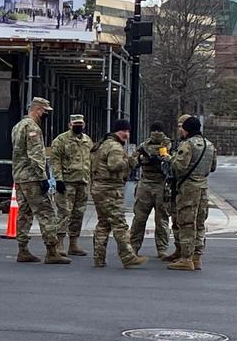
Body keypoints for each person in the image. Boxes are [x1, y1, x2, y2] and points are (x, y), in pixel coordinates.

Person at [10, 97, 69, 264]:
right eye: (45, 111)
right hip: (32, 178)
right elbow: (35, 155)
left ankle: (23, 249)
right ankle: (52, 250)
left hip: (20, 177)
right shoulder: (32, 127)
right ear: (38, 110)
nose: (46, 115)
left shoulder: (18, 126)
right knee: (47, 213)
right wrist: (43, 177)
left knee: (25, 213)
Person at [89, 119, 149, 269]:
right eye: (124, 131)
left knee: (103, 223)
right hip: (110, 189)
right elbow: (115, 165)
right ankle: (128, 256)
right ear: (117, 131)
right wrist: (130, 161)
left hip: (98, 188)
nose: (127, 135)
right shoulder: (115, 147)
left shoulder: (102, 144)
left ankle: (99, 258)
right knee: (119, 224)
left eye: (128, 132)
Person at [166, 115, 216, 271]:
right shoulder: (209, 145)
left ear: (187, 129)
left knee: (187, 223)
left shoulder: (187, 145)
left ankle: (186, 258)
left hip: (188, 189)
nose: (181, 130)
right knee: (200, 223)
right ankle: (197, 257)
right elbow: (212, 167)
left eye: (182, 128)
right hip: (203, 188)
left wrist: (170, 158)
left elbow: (179, 166)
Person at [48, 114, 92, 256]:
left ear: (84, 124)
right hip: (67, 182)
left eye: (80, 123)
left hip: (83, 182)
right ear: (69, 124)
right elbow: (55, 161)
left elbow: (91, 159)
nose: (78, 126)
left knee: (78, 214)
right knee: (64, 213)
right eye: (75, 123)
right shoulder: (61, 140)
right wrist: (58, 180)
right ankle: (59, 243)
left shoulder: (87, 141)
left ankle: (74, 244)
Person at [131, 121, 173, 259]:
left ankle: (162, 249)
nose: (156, 133)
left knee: (161, 220)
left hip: (162, 184)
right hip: (146, 184)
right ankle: (134, 247)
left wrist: (165, 160)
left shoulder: (169, 145)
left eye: (158, 130)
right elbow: (133, 162)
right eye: (154, 130)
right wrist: (142, 158)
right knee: (139, 219)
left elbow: (175, 163)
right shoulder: (144, 146)